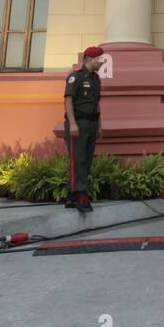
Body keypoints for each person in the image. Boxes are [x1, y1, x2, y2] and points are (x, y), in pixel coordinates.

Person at [64, 46, 103, 213]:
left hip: (91, 123)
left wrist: (99, 125)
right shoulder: (76, 77)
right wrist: (72, 123)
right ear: (88, 59)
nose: (101, 62)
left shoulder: (96, 79)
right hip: (78, 122)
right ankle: (81, 194)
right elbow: (68, 100)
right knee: (77, 159)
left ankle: (73, 193)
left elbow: (97, 104)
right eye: (98, 59)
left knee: (86, 159)